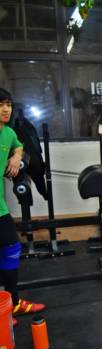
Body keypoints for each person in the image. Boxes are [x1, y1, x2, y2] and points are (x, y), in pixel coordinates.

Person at [0, 88, 45, 326]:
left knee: (10, 248)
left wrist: (17, 156)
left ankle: (12, 302)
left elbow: (19, 146)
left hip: (0, 207)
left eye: (8, 104)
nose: (6, 109)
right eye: (0, 105)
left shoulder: (7, 133)